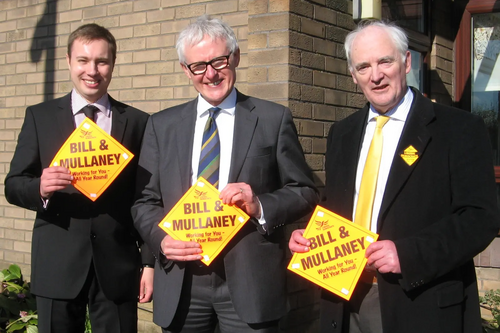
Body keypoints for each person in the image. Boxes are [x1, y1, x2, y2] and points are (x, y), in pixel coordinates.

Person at [289, 20, 500, 333]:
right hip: (344, 298)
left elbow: (480, 218)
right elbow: (336, 205)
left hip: (419, 301)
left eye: (384, 61)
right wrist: (310, 235)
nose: (375, 76)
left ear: (407, 61)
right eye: (363, 66)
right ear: (353, 75)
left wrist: (409, 254)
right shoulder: (341, 134)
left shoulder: (458, 129)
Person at [132, 15, 318, 333]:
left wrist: (259, 205)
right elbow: (144, 201)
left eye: (219, 60)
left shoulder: (273, 119)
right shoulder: (161, 125)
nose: (211, 73)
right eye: (198, 66)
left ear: (235, 57)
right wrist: (162, 240)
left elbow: (304, 190)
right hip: (182, 280)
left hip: (249, 280)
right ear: (185, 70)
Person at [4, 23, 154, 333]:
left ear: (112, 64)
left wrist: (149, 262)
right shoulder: (40, 116)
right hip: (56, 264)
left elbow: (148, 197)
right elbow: (13, 184)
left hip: (118, 267)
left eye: (102, 61)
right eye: (83, 60)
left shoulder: (138, 122)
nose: (92, 70)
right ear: (69, 61)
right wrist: (40, 188)